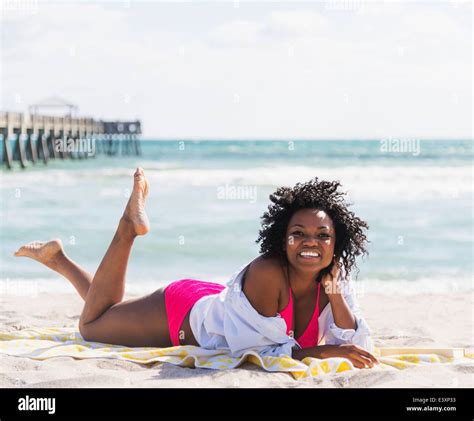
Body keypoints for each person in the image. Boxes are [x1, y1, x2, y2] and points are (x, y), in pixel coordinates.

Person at [15, 168, 379, 369]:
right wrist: (321, 352)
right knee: (91, 327)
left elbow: (355, 346)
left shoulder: (334, 276)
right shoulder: (269, 273)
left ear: (336, 243)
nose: (310, 242)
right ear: (282, 240)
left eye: (322, 235)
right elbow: (255, 352)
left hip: (218, 304)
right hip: (181, 316)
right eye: (298, 233)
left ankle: (57, 259)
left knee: (107, 308)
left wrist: (334, 293)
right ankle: (128, 226)